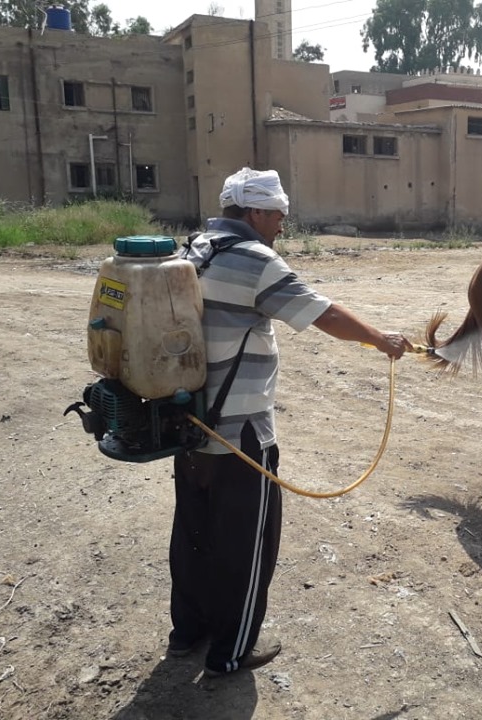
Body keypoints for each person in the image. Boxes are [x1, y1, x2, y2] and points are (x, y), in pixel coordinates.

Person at [171, 167, 409, 678]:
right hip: (238, 433)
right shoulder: (254, 258)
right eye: (278, 214)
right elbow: (323, 314)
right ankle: (230, 653)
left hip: (185, 424)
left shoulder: (195, 248)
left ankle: (186, 635)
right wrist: (381, 338)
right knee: (245, 543)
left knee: (193, 534)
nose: (282, 224)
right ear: (255, 212)